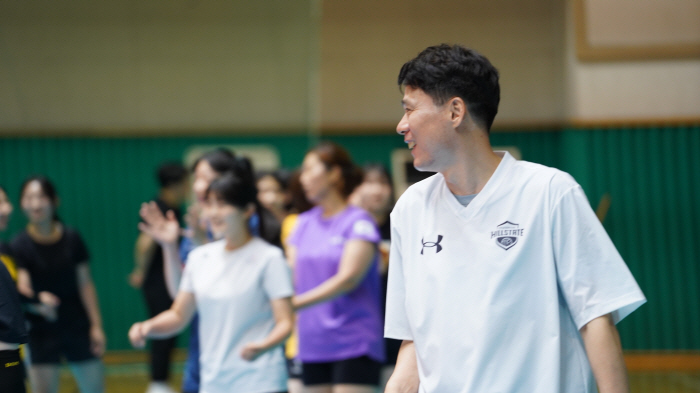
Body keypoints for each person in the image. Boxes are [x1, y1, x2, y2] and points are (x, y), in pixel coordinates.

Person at [384, 44, 647, 393]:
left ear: (455, 111)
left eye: (410, 109)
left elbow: (596, 318)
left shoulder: (550, 192)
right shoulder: (410, 209)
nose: (401, 125)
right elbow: (413, 341)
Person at [129, 170, 294, 393]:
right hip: (214, 383)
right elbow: (178, 315)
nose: (214, 213)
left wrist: (263, 346)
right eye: (209, 204)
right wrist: (147, 327)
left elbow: (285, 322)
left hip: (261, 381)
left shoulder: (269, 258)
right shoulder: (200, 258)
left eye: (223, 204)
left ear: (247, 210)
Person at [138, 148, 246, 393]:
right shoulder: (195, 228)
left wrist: (203, 244)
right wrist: (168, 246)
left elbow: (234, 286)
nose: (197, 187)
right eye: (195, 179)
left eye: (204, 178)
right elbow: (181, 294)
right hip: (202, 355)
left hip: (242, 357)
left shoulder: (248, 225)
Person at [287, 142, 385, 393]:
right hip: (311, 341)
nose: (303, 178)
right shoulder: (302, 224)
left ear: (334, 173)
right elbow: (291, 276)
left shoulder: (358, 222)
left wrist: (296, 303)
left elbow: (348, 278)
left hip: (355, 341)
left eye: (311, 169)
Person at [11, 176, 105, 393]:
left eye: (41, 197)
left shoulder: (72, 238)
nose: (35, 204)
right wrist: (37, 302)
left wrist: (96, 326)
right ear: (22, 204)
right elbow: (24, 288)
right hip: (40, 330)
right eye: (29, 198)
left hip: (76, 324)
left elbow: (85, 284)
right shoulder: (19, 244)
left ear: (55, 201)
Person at [130, 162, 188, 393]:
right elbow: (144, 243)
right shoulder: (163, 208)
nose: (188, 188)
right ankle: (158, 384)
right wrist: (140, 271)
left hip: (168, 279)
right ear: (175, 184)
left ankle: (160, 382)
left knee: (170, 333)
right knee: (162, 331)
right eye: (186, 183)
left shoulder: (174, 207)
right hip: (158, 282)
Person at [349, 164, 401, 383]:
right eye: (369, 183)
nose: (377, 190)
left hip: (396, 330)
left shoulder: (401, 224)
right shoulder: (350, 228)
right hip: (358, 332)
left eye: (383, 183)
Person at [0, 185, 29, 393]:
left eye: (6, 201)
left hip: (10, 361)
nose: (7, 208)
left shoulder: (5, 252)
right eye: (0, 203)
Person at [256, 170, 291, 249]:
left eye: (274, 190)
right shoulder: (253, 221)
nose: (270, 197)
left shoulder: (296, 220)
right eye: (264, 191)